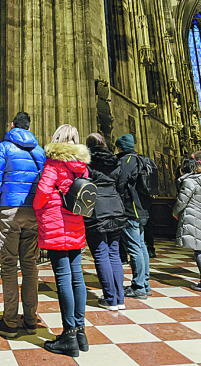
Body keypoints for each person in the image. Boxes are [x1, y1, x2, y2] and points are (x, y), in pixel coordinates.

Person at [0, 111, 46, 338]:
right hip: (33, 211)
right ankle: (31, 318)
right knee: (30, 264)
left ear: (12, 125)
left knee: (9, 265)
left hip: (9, 210)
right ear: (29, 127)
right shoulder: (39, 151)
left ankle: (10, 320)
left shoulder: (4, 147)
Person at [34, 124, 90, 357]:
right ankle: (80, 333)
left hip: (56, 225)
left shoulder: (54, 162)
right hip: (75, 224)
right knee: (77, 277)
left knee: (63, 279)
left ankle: (68, 336)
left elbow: (42, 192)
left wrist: (37, 208)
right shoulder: (82, 166)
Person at [84, 133, 126, 311]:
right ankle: (119, 299)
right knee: (114, 254)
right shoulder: (115, 161)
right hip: (116, 207)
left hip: (97, 209)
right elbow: (121, 184)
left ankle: (109, 298)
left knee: (101, 254)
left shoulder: (88, 162)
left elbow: (84, 184)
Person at [114, 133, 152, 299]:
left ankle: (138, 286)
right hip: (142, 208)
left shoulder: (126, 161)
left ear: (120, 147)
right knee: (141, 246)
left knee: (134, 248)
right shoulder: (141, 159)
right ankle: (145, 283)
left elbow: (120, 184)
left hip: (131, 209)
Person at [173, 158, 201, 293]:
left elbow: (182, 200)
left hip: (192, 216)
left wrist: (175, 212)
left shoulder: (189, 181)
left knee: (198, 250)